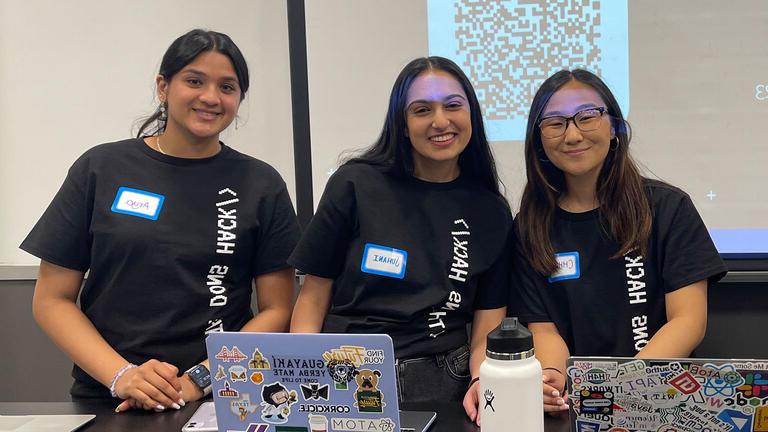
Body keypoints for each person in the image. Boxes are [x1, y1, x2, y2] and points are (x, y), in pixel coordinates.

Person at [21, 29, 300, 412]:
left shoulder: (261, 184)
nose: (210, 97)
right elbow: (52, 299)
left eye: (227, 86)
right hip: (109, 396)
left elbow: (277, 310)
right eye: (194, 80)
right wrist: (124, 377)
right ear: (163, 86)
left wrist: (197, 380)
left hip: (223, 396)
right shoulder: (101, 169)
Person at [288, 56, 512, 425]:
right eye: (422, 110)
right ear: (403, 125)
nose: (440, 121)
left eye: (453, 106)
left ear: (471, 114)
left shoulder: (492, 211)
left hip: (446, 379)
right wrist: (305, 376)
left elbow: (488, 320)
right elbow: (312, 297)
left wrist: (480, 380)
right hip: (345, 371)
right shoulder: (355, 184)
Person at [510, 69, 727, 412]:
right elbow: (544, 330)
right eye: (555, 123)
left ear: (613, 127)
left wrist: (625, 387)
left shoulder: (668, 208)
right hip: (582, 407)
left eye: (587, 117)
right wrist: (551, 378)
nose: (573, 134)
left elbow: (688, 321)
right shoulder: (530, 227)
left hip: (663, 402)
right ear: (538, 139)